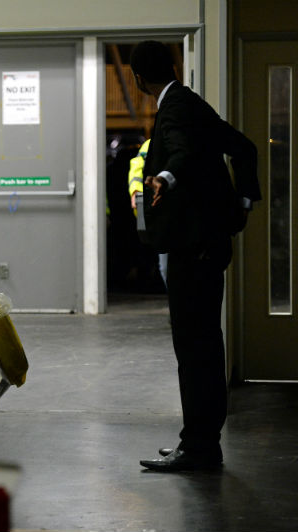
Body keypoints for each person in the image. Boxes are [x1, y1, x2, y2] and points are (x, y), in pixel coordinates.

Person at [130, 41, 261, 472]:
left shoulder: (176, 110)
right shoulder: (190, 102)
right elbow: (244, 147)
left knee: (194, 346)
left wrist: (166, 175)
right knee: (203, 343)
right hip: (207, 243)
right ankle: (201, 441)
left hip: (195, 247)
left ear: (137, 78)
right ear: (172, 66)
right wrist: (242, 204)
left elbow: (180, 150)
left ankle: (200, 446)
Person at [129, 139, 168, 286]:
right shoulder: (150, 145)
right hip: (159, 210)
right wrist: (136, 191)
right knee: (165, 267)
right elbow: (136, 170)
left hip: (180, 211)